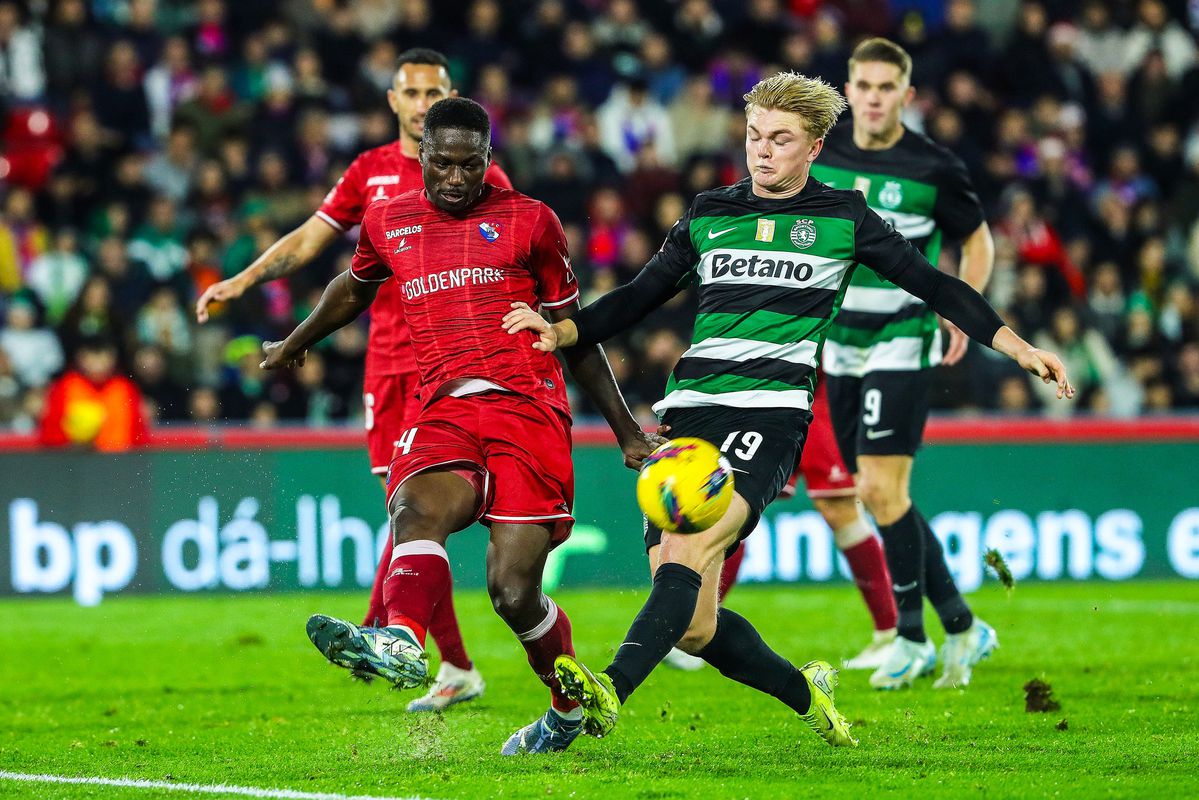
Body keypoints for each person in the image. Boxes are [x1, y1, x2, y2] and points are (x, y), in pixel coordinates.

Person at [503, 71, 1073, 747]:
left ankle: (602, 696)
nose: (762, 152)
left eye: (780, 139)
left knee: (689, 545)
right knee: (693, 623)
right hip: (690, 414)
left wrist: (1015, 345)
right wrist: (566, 330)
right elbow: (639, 294)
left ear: (814, 146)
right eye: (752, 136)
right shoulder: (710, 211)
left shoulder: (843, 218)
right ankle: (808, 695)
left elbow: (931, 284)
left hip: (769, 416)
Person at [261, 98, 659, 755]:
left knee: (511, 591)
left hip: (527, 407)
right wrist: (295, 341)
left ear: (488, 162)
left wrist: (624, 430)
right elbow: (353, 288)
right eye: (441, 163)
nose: (453, 177)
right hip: (441, 404)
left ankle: (563, 705)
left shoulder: (531, 222)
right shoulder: (388, 220)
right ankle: (399, 641)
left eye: (468, 165)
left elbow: (576, 336)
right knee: (412, 509)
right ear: (420, 157)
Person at [196, 48, 511, 712]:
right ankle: (450, 664)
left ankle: (387, 636)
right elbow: (310, 240)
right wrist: (245, 280)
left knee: (412, 511)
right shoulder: (368, 173)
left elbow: (515, 253)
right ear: (392, 101)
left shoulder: (477, 175)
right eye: (411, 92)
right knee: (404, 515)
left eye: (434, 91)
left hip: (451, 364)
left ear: (450, 96)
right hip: (387, 364)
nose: (423, 102)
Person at [814, 38, 999, 690]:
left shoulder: (932, 166)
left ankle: (912, 637)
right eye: (861, 86)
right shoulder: (820, 150)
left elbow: (976, 240)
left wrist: (958, 307)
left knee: (876, 490)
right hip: (835, 342)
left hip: (902, 335)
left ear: (905, 96)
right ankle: (962, 625)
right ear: (847, 88)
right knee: (883, 495)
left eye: (884, 88)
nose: (871, 98)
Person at [664, 376, 898, 673]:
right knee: (734, 506)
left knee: (840, 509)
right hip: (763, 396)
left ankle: (890, 633)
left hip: (821, 393)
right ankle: (696, 626)